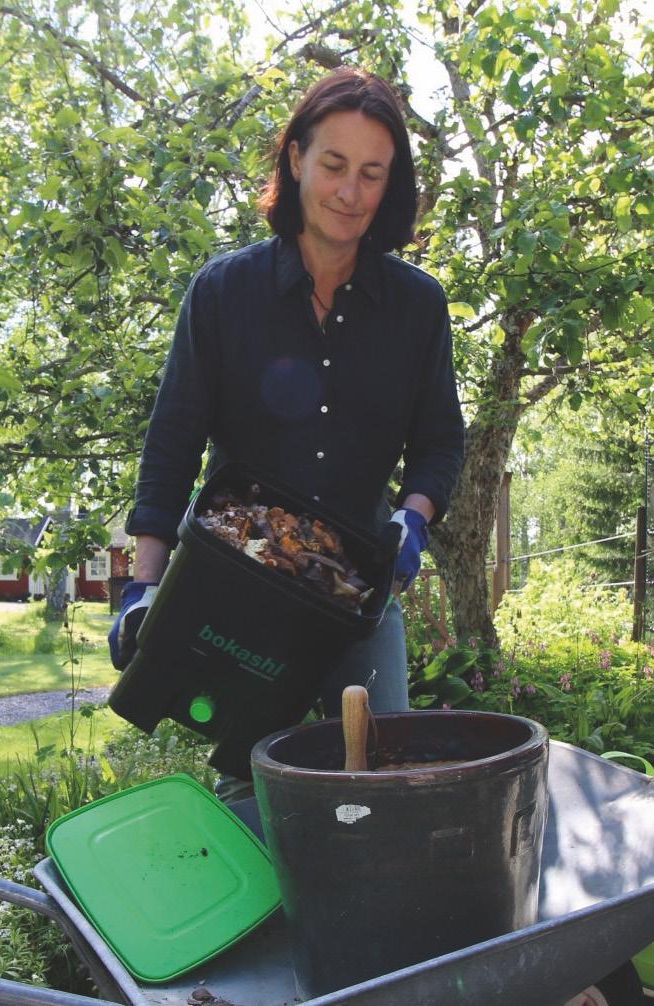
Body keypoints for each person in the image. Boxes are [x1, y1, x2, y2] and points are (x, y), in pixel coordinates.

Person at [110, 67, 465, 799]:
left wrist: (414, 516)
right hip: (235, 580)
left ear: (390, 184)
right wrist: (142, 587)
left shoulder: (417, 307)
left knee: (376, 784)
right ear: (296, 157)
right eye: (334, 165)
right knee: (248, 784)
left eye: (372, 174)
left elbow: (439, 443)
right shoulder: (222, 293)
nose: (349, 192)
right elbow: (172, 445)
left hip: (357, 590)